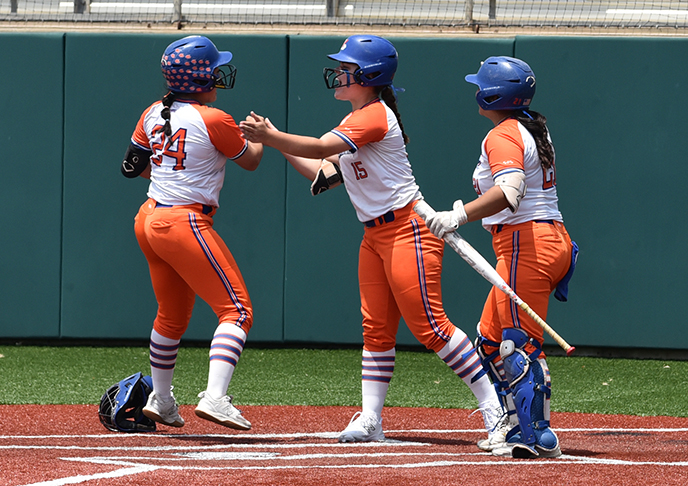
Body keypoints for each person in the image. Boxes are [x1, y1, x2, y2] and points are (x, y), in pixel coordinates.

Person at [239, 34, 503, 444]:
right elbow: (322, 172)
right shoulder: (359, 119)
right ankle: (372, 419)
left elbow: (322, 146)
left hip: (408, 230)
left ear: (369, 75)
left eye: (347, 69)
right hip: (376, 235)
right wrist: (273, 141)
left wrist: (271, 137)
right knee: (376, 329)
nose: (339, 74)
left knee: (431, 327)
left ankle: (494, 409)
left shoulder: (373, 115)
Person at [425, 56, 577, 459]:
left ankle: (537, 435)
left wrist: (458, 214)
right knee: (490, 340)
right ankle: (512, 424)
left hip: (527, 243)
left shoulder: (504, 133)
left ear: (493, 94)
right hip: (545, 240)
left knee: (517, 344)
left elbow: (509, 193)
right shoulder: (530, 127)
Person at [121, 35, 263, 431]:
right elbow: (250, 162)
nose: (219, 74)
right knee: (237, 310)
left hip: (148, 218)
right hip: (183, 222)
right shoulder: (214, 118)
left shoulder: (152, 111)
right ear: (201, 77)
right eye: (214, 69)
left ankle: (162, 400)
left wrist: (170, 174)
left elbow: (133, 165)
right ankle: (215, 397)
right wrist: (261, 138)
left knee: (170, 315)